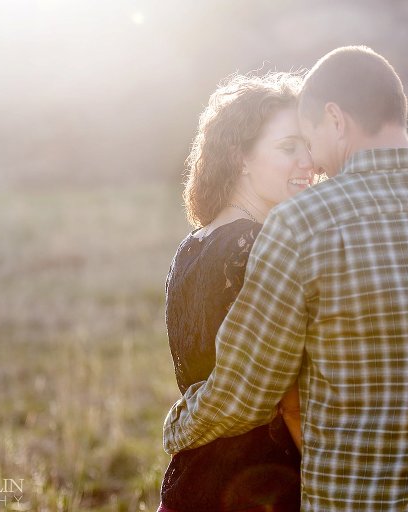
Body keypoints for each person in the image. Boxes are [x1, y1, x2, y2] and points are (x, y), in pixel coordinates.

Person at [164, 46, 408, 511]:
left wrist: (177, 428)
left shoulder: (303, 224)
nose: (313, 163)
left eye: (309, 140)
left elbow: (248, 393)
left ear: (334, 119)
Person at [159, 72, 315, 512]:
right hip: (262, 483)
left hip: (192, 476)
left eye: (309, 145)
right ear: (239, 156)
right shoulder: (260, 246)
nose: (309, 162)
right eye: (289, 147)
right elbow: (290, 401)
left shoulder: (191, 245)